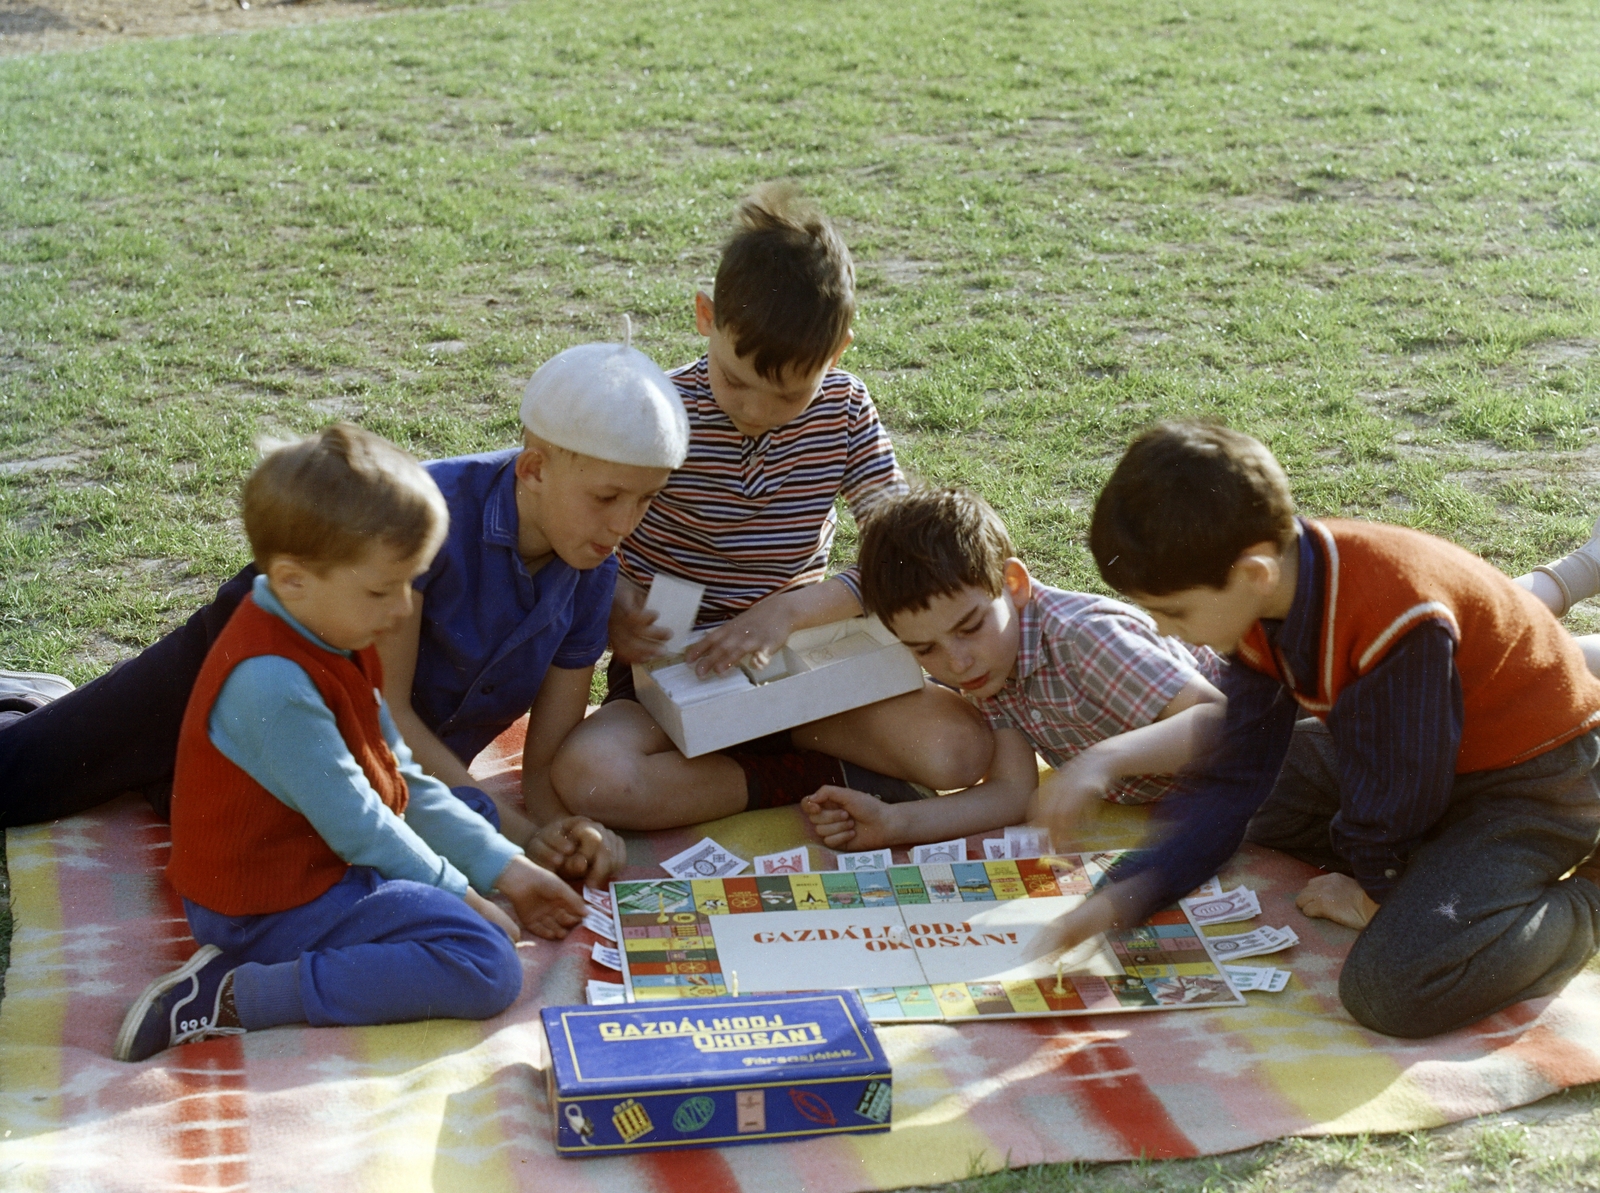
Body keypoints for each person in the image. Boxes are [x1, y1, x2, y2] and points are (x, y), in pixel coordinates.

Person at [0, 340, 689, 886]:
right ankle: (43, 712)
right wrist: (512, 835)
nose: (625, 523)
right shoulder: (433, 514)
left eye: (647, 501)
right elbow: (391, 710)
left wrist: (559, 830)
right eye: (607, 497)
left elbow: (541, 770)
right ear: (533, 467)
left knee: (232, 821)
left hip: (354, 750)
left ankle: (79, 724)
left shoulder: (595, 573)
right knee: (21, 779)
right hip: (256, 664)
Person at [1037, 421, 1600, 1039]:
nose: (1167, 632)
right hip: (1429, 757)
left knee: (1390, 989)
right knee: (1258, 800)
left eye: (1174, 611)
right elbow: (1236, 775)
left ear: (1253, 573)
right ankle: (1439, 880)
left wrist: (1373, 887)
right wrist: (1128, 895)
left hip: (1534, 783)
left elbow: (1401, 785)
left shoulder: (1393, 616)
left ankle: (1582, 905)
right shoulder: (1266, 595)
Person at [115, 426, 588, 1061]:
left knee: (468, 851)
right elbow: (359, 823)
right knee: (484, 963)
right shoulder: (271, 681)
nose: (400, 610)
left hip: (318, 868)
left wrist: (510, 868)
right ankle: (231, 995)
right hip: (262, 906)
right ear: (293, 579)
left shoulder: (334, 632)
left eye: (409, 584)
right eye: (380, 590)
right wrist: (463, 893)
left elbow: (402, 774)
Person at [551, 186, 993, 828]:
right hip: (672, 660)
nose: (754, 411)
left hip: (803, 658)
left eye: (787, 396)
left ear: (837, 350)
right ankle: (807, 775)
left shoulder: (844, 410)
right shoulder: (659, 411)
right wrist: (613, 602)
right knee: (592, 778)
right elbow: (582, 538)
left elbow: (908, 560)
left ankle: (771, 760)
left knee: (961, 751)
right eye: (734, 380)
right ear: (706, 316)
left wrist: (788, 611)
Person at [801, 487, 1226, 852]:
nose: (956, 662)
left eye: (968, 627)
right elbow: (1011, 792)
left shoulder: (1084, 638)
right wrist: (895, 822)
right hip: (1216, 800)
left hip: (1276, 763)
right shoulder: (991, 665)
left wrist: (1101, 762)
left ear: (1015, 585)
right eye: (925, 649)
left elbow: (1227, 722)